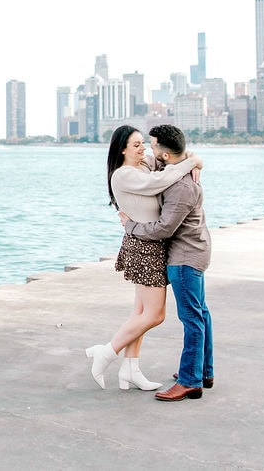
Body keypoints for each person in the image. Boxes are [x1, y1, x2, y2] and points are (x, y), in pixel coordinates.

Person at [85, 125, 202, 391]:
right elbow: (160, 182)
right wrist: (191, 163)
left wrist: (195, 160)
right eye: (136, 145)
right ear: (122, 149)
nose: (143, 149)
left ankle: (130, 369)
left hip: (150, 243)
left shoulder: (143, 165)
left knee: (140, 311)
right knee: (155, 314)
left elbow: (174, 157)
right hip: (144, 247)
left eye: (143, 144)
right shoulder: (124, 175)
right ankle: (107, 352)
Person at [121, 124, 213, 402]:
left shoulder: (181, 187)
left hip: (184, 258)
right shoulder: (177, 168)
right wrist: (195, 160)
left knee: (192, 319)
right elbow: (180, 160)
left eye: (152, 145)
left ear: (164, 154)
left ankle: (190, 382)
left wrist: (131, 226)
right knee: (201, 313)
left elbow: (164, 228)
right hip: (193, 251)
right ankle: (203, 371)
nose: (149, 150)